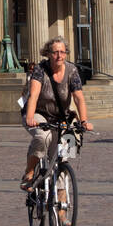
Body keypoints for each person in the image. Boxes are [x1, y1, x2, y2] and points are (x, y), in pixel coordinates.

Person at [21, 36, 93, 189]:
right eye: (55, 52)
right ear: (48, 54)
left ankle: (61, 208)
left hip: (62, 116)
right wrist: (29, 117)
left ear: (66, 53)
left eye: (62, 52)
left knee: (64, 157)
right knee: (43, 137)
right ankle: (29, 170)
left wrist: (84, 121)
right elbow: (34, 95)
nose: (59, 55)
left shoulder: (72, 70)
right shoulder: (40, 70)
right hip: (39, 113)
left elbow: (78, 97)